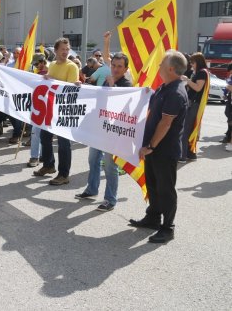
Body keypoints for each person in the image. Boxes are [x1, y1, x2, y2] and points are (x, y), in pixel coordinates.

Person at [130, 50, 188, 244]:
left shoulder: (176, 92)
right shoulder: (165, 88)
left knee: (166, 189)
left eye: (162, 64)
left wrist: (151, 146)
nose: (158, 66)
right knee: (153, 185)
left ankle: (167, 227)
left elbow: (165, 123)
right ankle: (153, 217)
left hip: (164, 150)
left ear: (171, 69)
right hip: (154, 148)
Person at [77, 31, 132, 211]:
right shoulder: (108, 79)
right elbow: (98, 97)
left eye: (119, 66)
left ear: (125, 69)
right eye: (113, 65)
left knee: (110, 167)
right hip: (99, 127)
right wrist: (82, 87)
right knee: (93, 160)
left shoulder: (125, 85)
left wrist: (113, 86)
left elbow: (121, 107)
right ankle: (91, 189)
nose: (115, 68)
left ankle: (110, 199)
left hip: (113, 132)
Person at [34, 38, 79, 186]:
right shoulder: (52, 65)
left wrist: (52, 80)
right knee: (44, 137)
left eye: (67, 49)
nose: (66, 52)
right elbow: (50, 84)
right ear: (56, 51)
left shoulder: (72, 67)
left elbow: (70, 89)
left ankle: (63, 174)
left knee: (63, 143)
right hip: (50, 109)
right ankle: (49, 165)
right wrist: (47, 79)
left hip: (63, 111)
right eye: (63, 49)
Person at [179, 52, 208, 162]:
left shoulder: (202, 73)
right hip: (193, 103)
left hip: (194, 104)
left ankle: (182, 156)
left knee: (185, 129)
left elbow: (198, 88)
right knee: (190, 129)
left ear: (198, 62)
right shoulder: (200, 72)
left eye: (192, 62)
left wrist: (187, 80)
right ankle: (191, 154)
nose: (191, 64)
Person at [223, 64, 232, 150]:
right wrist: (225, 94)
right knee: (228, 116)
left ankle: (229, 139)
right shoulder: (230, 77)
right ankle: (228, 135)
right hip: (230, 99)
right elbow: (227, 87)